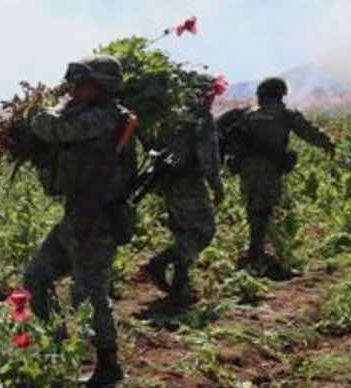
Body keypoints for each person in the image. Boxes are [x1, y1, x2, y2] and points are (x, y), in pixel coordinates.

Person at [21, 55, 138, 388]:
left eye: (81, 84)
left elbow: (50, 128)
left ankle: (107, 364)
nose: (74, 90)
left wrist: (43, 110)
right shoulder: (95, 114)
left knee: (88, 295)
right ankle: (56, 346)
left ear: (102, 87)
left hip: (95, 220)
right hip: (77, 217)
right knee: (36, 277)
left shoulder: (102, 118)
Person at [218, 76, 334, 277]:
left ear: (261, 94)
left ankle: (257, 253)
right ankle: (257, 256)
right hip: (270, 169)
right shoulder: (286, 114)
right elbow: (309, 133)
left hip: (246, 168)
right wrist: (327, 143)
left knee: (254, 209)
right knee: (263, 212)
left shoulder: (244, 114)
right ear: (281, 94)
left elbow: (217, 127)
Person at [141, 82, 226, 305]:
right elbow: (208, 157)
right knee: (203, 231)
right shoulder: (200, 118)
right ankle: (159, 263)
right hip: (189, 182)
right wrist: (217, 186)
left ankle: (180, 286)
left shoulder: (167, 116)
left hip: (167, 181)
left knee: (183, 232)